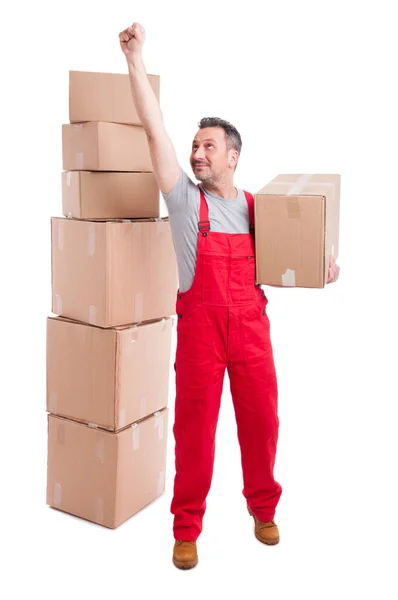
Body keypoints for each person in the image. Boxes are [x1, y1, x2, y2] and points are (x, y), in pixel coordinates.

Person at [119, 22, 340, 570]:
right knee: (194, 435)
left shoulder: (258, 209)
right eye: (194, 145)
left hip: (250, 332)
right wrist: (135, 59)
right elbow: (154, 133)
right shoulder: (182, 200)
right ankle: (186, 526)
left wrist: (323, 269)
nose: (196, 153)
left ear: (232, 156)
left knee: (262, 423)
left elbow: (293, 261)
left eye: (207, 146)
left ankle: (263, 507)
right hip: (199, 334)